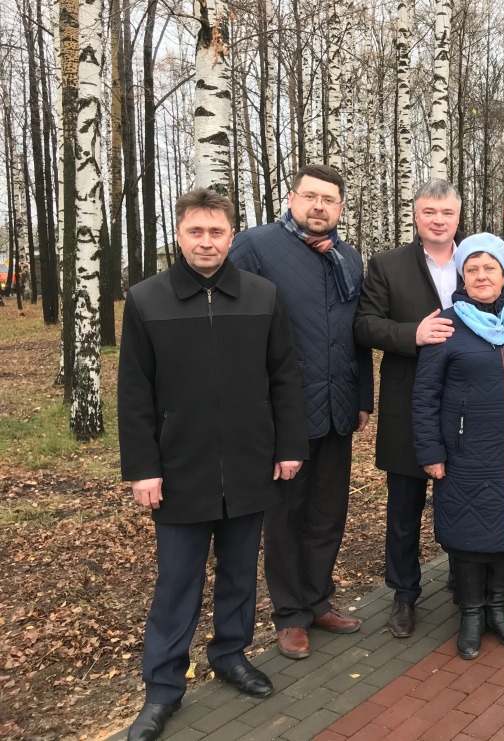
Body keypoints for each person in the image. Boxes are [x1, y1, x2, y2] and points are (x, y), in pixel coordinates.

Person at [118, 189, 308, 741]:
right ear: (178, 234)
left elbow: (284, 379)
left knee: (239, 573)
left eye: (216, 232)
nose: (206, 242)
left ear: (232, 234)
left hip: (251, 465)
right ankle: (163, 689)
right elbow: (134, 393)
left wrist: (288, 446)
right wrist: (143, 468)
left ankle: (230, 654)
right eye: (196, 232)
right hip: (179, 472)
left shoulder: (263, 295)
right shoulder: (147, 299)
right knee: (177, 584)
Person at [356, 179, 504, 638]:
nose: (438, 219)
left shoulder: (480, 257)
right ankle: (405, 595)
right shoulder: (388, 266)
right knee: (405, 512)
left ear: (458, 216)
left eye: (446, 212)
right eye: (429, 211)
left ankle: (467, 591)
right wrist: (414, 334)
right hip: (413, 405)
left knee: (476, 509)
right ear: (416, 214)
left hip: (483, 419)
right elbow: (365, 324)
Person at [229, 165, 372, 660]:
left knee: (328, 513)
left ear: (340, 208)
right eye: (310, 196)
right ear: (291, 198)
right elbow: (233, 325)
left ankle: (317, 600)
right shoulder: (255, 247)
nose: (319, 207)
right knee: (286, 517)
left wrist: (362, 399)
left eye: (329, 200)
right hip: (282, 412)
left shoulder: (349, 257)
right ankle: (288, 615)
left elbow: (357, 332)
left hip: (337, 408)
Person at [412, 233, 504, 660]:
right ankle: (471, 614)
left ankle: (499, 608)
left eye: (489, 267)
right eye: (472, 268)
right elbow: (425, 396)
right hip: (464, 453)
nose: (481, 276)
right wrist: (431, 451)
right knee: (468, 534)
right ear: (462, 274)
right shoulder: (447, 322)